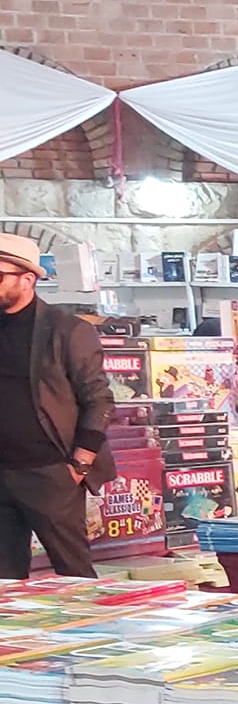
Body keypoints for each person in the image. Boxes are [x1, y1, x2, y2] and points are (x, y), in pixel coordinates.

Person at [0, 233, 114, 579]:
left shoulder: (66, 330)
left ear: (27, 280)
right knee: (5, 580)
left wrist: (79, 464)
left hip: (50, 471)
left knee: (74, 573)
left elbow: (98, 399)